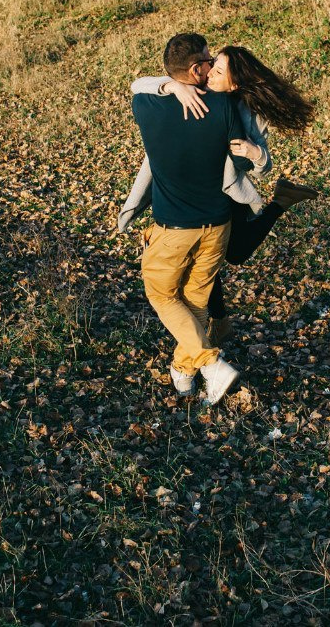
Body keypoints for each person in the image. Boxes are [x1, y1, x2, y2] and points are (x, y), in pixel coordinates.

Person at [120, 44, 318, 343]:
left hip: (222, 191)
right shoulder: (194, 91)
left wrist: (255, 153)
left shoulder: (241, 109)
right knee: (203, 259)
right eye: (211, 65)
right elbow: (137, 85)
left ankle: (281, 201)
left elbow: (259, 164)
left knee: (235, 254)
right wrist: (173, 86)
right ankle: (219, 320)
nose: (210, 72)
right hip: (194, 188)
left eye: (219, 70)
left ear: (234, 83)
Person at [132, 33, 243, 405]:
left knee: (160, 293)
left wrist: (168, 86)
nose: (212, 65)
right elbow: (239, 161)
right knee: (194, 302)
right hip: (218, 226)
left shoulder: (145, 105)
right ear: (196, 70)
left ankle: (211, 365)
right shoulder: (225, 106)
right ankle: (183, 373)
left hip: (174, 230)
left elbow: (138, 84)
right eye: (208, 60)